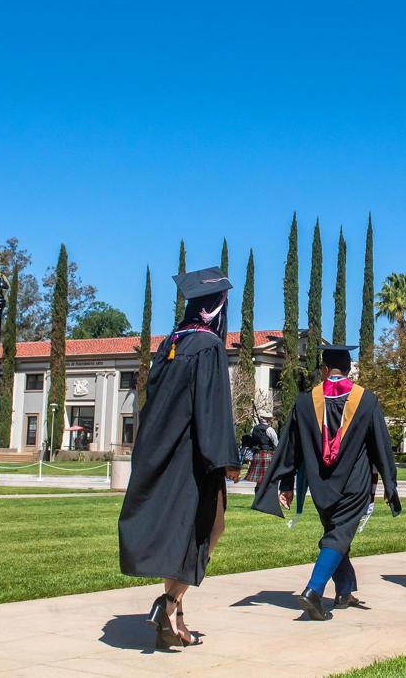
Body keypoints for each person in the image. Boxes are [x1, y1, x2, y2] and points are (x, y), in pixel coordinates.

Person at [119, 267, 240, 649]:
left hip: (163, 451)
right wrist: (225, 457)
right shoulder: (209, 346)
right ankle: (169, 602)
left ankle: (174, 620)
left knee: (179, 534)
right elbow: (213, 407)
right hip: (196, 457)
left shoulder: (171, 342)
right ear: (218, 306)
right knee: (211, 528)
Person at [253, 344, 400, 621]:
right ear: (348, 369)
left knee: (336, 534)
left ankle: (345, 590)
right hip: (354, 484)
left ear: (323, 369)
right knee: (338, 537)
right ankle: (314, 590)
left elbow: (290, 447)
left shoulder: (305, 402)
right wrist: (390, 484)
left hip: (320, 486)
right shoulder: (366, 400)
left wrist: (286, 484)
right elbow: (381, 444)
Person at [243, 410, 278, 484]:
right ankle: (266, 494)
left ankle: (258, 493)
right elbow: (276, 443)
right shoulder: (270, 429)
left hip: (257, 454)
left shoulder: (253, 429)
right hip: (268, 455)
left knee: (259, 481)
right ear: (267, 419)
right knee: (268, 479)